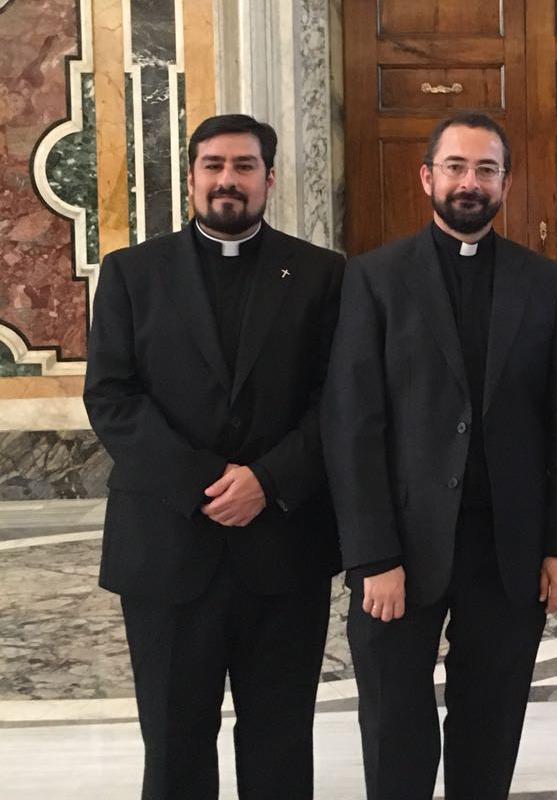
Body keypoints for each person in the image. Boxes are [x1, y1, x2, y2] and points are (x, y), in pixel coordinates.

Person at [322, 111, 557, 800]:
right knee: (395, 723)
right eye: (456, 167)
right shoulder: (376, 279)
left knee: (492, 717)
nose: (470, 182)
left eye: (486, 169)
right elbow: (353, 425)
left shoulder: (543, 280)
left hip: (506, 547)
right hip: (403, 549)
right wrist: (372, 556)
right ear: (427, 177)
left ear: (505, 183)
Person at [83, 114, 344, 799]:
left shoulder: (321, 275)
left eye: (245, 166)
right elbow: (112, 397)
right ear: (192, 175)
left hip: (284, 547)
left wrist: (267, 479)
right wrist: (206, 482)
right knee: (172, 745)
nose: (228, 180)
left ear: (270, 178)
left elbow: (339, 400)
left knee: (281, 742)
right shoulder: (133, 274)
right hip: (167, 549)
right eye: (213, 165)